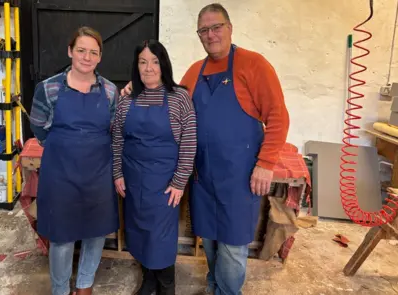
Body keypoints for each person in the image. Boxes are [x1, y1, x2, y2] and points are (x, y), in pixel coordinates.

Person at [121, 3, 289, 295]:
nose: (211, 35)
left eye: (216, 27)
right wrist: (134, 87)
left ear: (229, 27)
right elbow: (170, 94)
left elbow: (278, 116)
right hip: (203, 176)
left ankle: (227, 292)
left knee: (233, 246)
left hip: (240, 175)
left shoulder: (254, 64)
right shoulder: (195, 72)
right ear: (199, 35)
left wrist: (266, 162)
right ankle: (214, 287)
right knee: (209, 240)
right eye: (204, 30)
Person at [30, 26, 119, 295]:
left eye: (93, 52)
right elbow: (39, 128)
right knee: (62, 237)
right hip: (60, 174)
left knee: (96, 233)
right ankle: (60, 289)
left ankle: (84, 286)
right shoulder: (48, 89)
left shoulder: (109, 91)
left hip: (98, 174)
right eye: (81, 50)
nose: (86, 57)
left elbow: (113, 128)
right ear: (70, 51)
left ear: (100, 57)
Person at [112, 39, 197, 295]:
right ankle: (149, 281)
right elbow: (117, 138)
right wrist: (117, 173)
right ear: (136, 66)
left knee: (160, 237)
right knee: (138, 232)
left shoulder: (179, 97)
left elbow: (190, 142)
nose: (148, 68)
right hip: (133, 180)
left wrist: (179, 182)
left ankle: (166, 288)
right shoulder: (126, 100)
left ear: (164, 65)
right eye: (142, 62)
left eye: (155, 62)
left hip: (164, 184)